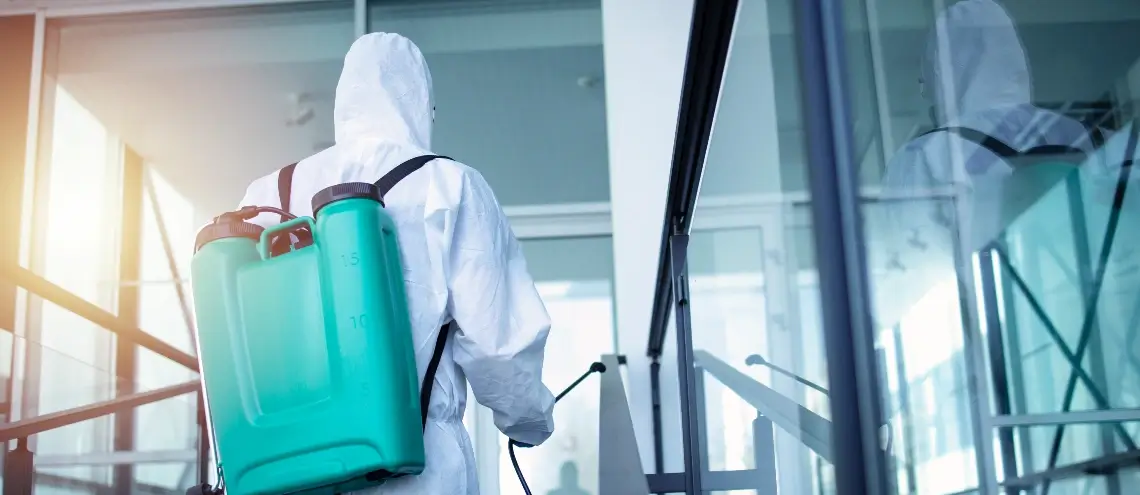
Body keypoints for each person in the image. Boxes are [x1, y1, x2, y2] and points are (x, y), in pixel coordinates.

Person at [237, 32, 556, 494]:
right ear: (421, 103)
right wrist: (530, 423)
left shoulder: (266, 194)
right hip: (415, 471)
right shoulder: (449, 184)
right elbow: (498, 345)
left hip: (289, 469)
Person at [871, 0, 1093, 326]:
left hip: (994, 324)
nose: (924, 93)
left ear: (946, 70)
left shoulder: (924, 155)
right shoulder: (1076, 134)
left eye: (927, 76)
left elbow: (908, 270)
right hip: (1082, 309)